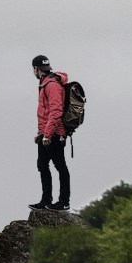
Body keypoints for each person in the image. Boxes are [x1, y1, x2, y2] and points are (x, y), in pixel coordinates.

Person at [30, 54, 81, 213]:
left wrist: (47, 134)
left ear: (36, 69)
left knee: (60, 166)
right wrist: (40, 133)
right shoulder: (45, 83)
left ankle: (63, 202)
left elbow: (56, 111)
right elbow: (45, 112)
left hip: (55, 133)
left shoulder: (52, 85)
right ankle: (46, 200)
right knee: (42, 165)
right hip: (46, 133)